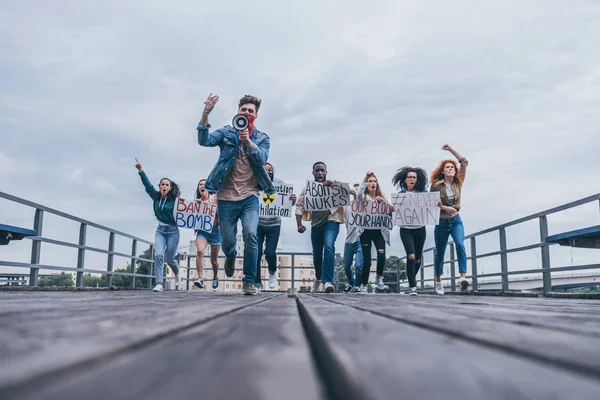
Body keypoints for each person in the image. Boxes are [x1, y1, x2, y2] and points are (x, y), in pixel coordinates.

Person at [197, 94, 275, 295]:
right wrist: (206, 113)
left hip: (250, 196)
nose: (247, 113)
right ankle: (230, 255)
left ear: (256, 115)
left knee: (250, 234)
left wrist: (248, 141)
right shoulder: (226, 132)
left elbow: (262, 158)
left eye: (251, 111)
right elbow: (204, 141)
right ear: (238, 112)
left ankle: (249, 281)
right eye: (244, 110)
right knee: (228, 242)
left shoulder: (262, 138)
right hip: (226, 198)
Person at [295, 162, 344, 293]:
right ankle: (318, 277)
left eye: (322, 170)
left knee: (329, 246)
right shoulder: (308, 188)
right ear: (313, 173)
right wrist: (299, 224)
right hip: (316, 224)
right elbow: (299, 205)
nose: (320, 173)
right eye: (317, 170)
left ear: (326, 172)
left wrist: (335, 183)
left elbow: (351, 191)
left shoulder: (333, 185)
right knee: (317, 256)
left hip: (331, 221)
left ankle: (327, 281)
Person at [135, 158, 181, 292]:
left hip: (173, 232)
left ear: (170, 188)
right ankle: (159, 283)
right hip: (160, 231)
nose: (164, 187)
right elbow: (148, 186)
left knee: (171, 260)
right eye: (162, 185)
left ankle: (177, 274)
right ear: (160, 187)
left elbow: (188, 211)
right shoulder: (156, 197)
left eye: (167, 185)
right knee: (159, 255)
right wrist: (141, 171)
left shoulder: (176, 200)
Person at [430, 144, 469, 295]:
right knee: (440, 252)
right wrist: (444, 207)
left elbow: (464, 162)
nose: (450, 169)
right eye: (447, 167)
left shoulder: (458, 183)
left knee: (460, 244)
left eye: (452, 167)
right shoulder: (436, 186)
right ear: (443, 171)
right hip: (441, 222)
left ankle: (463, 278)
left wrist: (450, 150)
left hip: (456, 220)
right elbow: (430, 204)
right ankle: (438, 281)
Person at [255, 163, 296, 292]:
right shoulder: (255, 182)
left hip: (274, 224)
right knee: (256, 253)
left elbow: (287, 202)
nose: (268, 172)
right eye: (265, 170)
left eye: (270, 170)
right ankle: (256, 283)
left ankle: (272, 271)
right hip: (258, 223)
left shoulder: (279, 183)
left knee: (270, 252)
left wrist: (292, 200)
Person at [392, 167, 429, 296]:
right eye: (409, 177)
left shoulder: (423, 193)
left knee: (417, 260)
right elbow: (395, 210)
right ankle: (413, 287)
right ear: (405, 180)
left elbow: (430, 206)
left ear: (417, 180)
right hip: (406, 230)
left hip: (420, 229)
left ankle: (411, 279)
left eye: (414, 177)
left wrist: (437, 203)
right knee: (411, 256)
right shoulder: (400, 195)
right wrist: (392, 208)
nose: (412, 179)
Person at [356, 171, 394, 294]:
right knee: (367, 261)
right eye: (370, 181)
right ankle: (364, 285)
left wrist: (384, 202)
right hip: (366, 232)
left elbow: (389, 213)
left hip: (378, 232)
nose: (373, 183)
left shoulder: (382, 197)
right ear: (367, 184)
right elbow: (359, 193)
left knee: (381, 255)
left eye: (374, 181)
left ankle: (379, 279)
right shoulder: (363, 198)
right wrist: (365, 177)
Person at [192, 179, 222, 292]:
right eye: (200, 184)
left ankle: (215, 277)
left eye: (204, 184)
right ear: (198, 188)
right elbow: (189, 214)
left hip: (215, 231)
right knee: (200, 251)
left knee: (214, 261)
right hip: (202, 231)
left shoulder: (215, 198)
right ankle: (200, 279)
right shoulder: (196, 202)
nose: (202, 186)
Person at [342, 183, 363, 292]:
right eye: (355, 191)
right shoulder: (347, 207)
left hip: (361, 241)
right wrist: (353, 190)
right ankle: (351, 283)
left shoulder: (365, 207)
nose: (357, 192)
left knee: (359, 265)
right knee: (346, 265)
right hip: (349, 241)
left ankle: (358, 285)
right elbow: (342, 190)